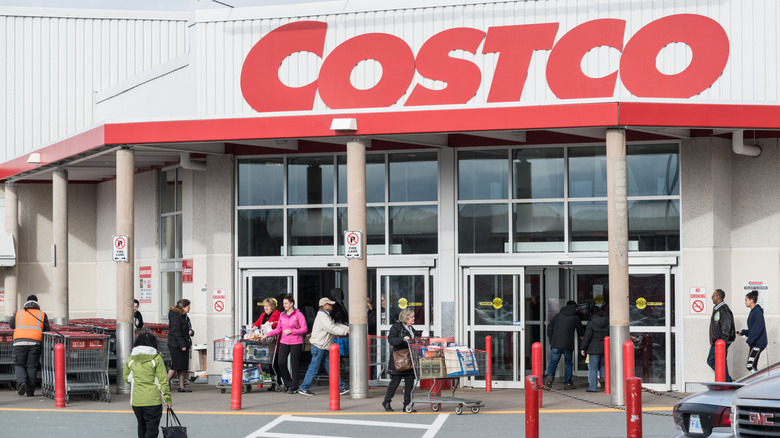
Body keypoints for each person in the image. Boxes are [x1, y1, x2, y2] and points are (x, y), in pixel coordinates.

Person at [124, 331, 173, 438]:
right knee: (152, 429)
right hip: (153, 400)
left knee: (141, 427)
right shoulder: (157, 358)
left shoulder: (132, 358)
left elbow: (126, 377)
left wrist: (135, 379)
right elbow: (162, 381)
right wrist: (167, 399)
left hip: (137, 401)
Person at [298, 297, 350, 396]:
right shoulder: (322, 316)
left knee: (331, 368)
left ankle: (341, 387)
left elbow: (335, 325)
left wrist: (347, 328)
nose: (331, 306)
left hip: (324, 346)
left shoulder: (325, 315)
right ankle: (304, 388)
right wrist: (346, 331)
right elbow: (332, 328)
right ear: (324, 306)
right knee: (314, 368)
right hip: (319, 346)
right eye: (329, 304)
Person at [263, 294, 307, 394]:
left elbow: (304, 329)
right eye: (283, 303)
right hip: (284, 341)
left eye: (286, 303)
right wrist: (267, 334)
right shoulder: (282, 315)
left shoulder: (298, 315)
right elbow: (279, 329)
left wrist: (292, 331)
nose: (284, 305)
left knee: (294, 364)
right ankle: (288, 383)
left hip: (296, 342)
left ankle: (294, 387)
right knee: (281, 363)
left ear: (292, 304)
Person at [9, 294, 50, 397]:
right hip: (35, 342)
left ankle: (22, 382)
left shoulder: (18, 313)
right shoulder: (42, 314)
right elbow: (47, 329)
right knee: (32, 367)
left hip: (19, 342)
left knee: (19, 365)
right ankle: (30, 391)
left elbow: (11, 325)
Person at [382, 308, 418, 413]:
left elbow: (414, 340)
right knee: (395, 383)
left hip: (410, 359)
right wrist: (402, 339)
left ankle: (407, 405)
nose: (414, 318)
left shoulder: (412, 329)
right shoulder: (396, 327)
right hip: (399, 359)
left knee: (410, 383)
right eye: (412, 317)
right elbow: (391, 340)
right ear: (406, 318)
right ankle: (387, 401)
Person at [545, 300, 584, 390]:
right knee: (569, 364)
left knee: (553, 363)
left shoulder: (557, 316)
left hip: (556, 344)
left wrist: (552, 341)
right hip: (567, 345)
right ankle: (568, 383)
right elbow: (581, 332)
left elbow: (549, 328)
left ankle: (549, 379)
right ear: (575, 308)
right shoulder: (575, 318)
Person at [252, 298, 282, 391]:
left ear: (272, 307)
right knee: (269, 364)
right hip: (265, 343)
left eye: (267, 306)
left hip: (275, 342)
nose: (265, 308)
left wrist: (271, 325)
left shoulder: (278, 315)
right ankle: (273, 383)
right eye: (264, 306)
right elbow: (257, 324)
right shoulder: (262, 315)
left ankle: (278, 382)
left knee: (275, 363)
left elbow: (278, 326)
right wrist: (254, 327)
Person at [707, 288, 735, 382]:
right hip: (717, 342)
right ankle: (729, 381)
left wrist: (722, 342)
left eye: (713, 296)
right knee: (714, 361)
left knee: (715, 361)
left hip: (721, 342)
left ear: (718, 297)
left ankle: (728, 382)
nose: (711, 297)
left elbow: (726, 327)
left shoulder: (724, 310)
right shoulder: (718, 309)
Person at [167, 298, 194, 392]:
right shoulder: (175, 315)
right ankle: (165, 383)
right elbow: (176, 331)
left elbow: (188, 327)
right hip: (175, 344)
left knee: (184, 366)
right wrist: (182, 344)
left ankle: (182, 386)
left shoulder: (185, 316)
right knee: (176, 365)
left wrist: (191, 332)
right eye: (188, 307)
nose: (189, 308)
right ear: (183, 306)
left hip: (185, 342)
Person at [580, 307, 609, 392]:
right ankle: (609, 386)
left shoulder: (591, 322)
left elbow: (587, 336)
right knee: (603, 367)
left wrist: (583, 348)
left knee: (593, 368)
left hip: (593, 348)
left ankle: (593, 387)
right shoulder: (607, 321)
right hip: (604, 347)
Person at [739, 290, 767, 373]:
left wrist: (750, 340)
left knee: (750, 366)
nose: (745, 302)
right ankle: (756, 383)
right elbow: (753, 329)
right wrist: (743, 332)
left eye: (746, 300)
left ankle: (759, 382)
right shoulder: (753, 311)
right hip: (755, 342)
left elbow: (759, 328)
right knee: (753, 366)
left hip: (758, 343)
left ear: (751, 300)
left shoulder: (757, 311)